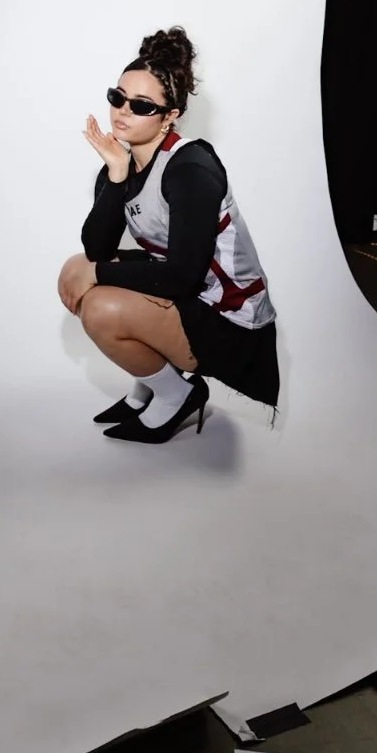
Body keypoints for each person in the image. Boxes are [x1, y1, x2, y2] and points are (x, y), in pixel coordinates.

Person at [57, 27, 279, 444]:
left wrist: (99, 275)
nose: (123, 111)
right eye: (117, 97)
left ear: (170, 115)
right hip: (190, 290)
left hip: (230, 318)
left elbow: (182, 277)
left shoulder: (190, 167)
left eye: (141, 105)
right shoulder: (122, 162)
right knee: (76, 268)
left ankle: (177, 394)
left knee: (101, 307)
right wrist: (117, 175)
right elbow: (96, 249)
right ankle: (150, 385)